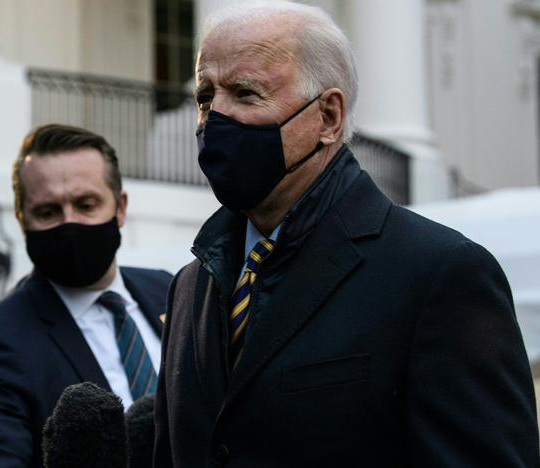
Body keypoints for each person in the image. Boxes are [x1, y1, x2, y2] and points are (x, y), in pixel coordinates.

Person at [153, 3, 540, 467]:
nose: (214, 117)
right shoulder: (190, 287)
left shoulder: (439, 273)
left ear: (329, 117)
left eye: (245, 93)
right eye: (204, 95)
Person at [0, 124, 172, 467]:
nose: (70, 224)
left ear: (120, 208)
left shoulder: (170, 290)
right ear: (23, 220)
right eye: (48, 212)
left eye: (86, 204)